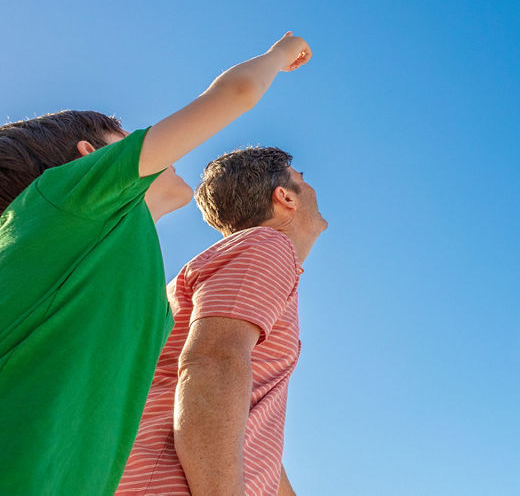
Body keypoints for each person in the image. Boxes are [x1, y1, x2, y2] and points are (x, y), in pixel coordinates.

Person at [0, 33, 312, 496]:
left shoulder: (130, 286)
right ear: (92, 158)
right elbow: (235, 94)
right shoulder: (68, 199)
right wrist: (281, 53)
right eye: (126, 138)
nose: (150, 144)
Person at [117, 145, 325, 496]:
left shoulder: (246, 258)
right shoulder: (266, 246)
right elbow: (211, 361)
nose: (313, 186)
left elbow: (248, 420)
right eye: (303, 178)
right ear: (285, 196)